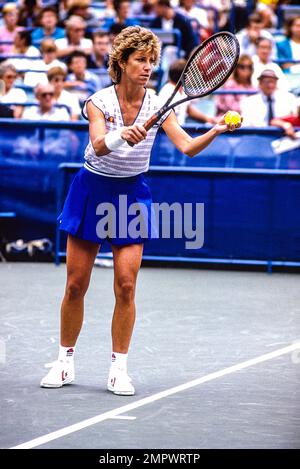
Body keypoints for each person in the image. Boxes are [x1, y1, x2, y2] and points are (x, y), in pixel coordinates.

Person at [40, 26, 241, 395]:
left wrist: (214, 131)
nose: (148, 67)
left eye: (152, 61)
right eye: (140, 60)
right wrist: (122, 134)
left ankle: (119, 368)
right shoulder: (97, 101)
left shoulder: (157, 106)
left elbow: (186, 147)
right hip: (92, 189)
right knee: (75, 285)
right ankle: (65, 361)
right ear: (121, 62)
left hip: (131, 195)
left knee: (127, 285)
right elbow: (99, 146)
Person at [159, 58, 218, 125]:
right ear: (184, 76)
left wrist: (209, 119)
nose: (191, 76)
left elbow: (188, 109)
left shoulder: (182, 91)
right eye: (189, 73)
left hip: (178, 130)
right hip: (166, 133)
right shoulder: (167, 92)